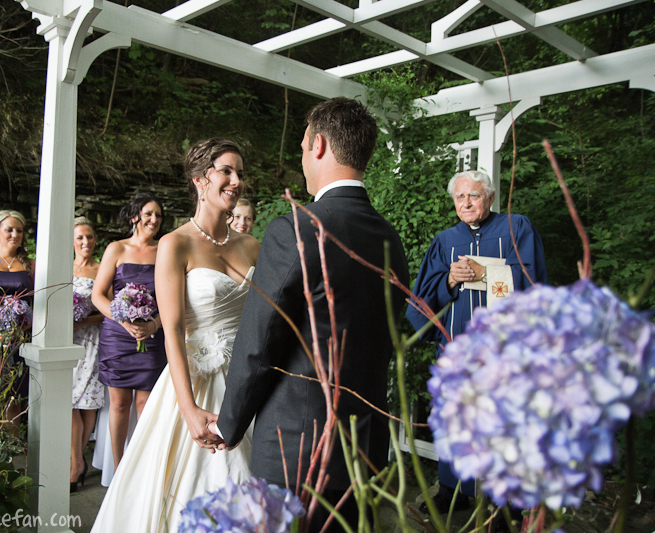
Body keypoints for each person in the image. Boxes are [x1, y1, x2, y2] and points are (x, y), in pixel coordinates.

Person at [216, 97, 410, 532]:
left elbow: (258, 344)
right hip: (365, 445)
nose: (302, 158)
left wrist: (229, 424)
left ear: (318, 144)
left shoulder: (297, 229)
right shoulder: (389, 239)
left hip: (298, 449)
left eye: (303, 147)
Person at [90, 139, 260, 532]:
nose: (237, 181)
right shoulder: (175, 244)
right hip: (194, 384)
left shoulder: (252, 246)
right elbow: (173, 330)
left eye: (240, 173)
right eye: (227, 171)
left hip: (244, 381)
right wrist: (189, 409)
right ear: (201, 180)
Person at [405, 170, 548, 529]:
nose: (466, 203)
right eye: (459, 198)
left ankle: (507, 502)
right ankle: (454, 490)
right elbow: (421, 300)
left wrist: (488, 274)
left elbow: (533, 279)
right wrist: (451, 279)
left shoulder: (517, 228)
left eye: (474, 196)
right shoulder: (445, 241)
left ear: (490, 197)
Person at [91, 193, 167, 472]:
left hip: (153, 334)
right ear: (134, 216)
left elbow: (174, 297)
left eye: (158, 215)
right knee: (120, 404)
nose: (154, 220)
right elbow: (97, 295)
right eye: (148, 214)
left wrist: (153, 325)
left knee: (147, 403)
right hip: (117, 335)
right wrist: (123, 320)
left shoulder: (165, 250)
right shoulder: (116, 249)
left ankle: (142, 468)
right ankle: (119, 467)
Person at [0, 210, 35, 426]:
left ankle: (13, 441)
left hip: (21, 337)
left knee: (15, 391)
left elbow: (40, 302)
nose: (15, 234)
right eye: (9, 230)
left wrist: (25, 327)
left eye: (19, 230)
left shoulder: (30, 265)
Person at [70, 217, 104, 492]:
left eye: (90, 237)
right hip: (66, 340)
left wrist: (81, 321)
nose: (86, 242)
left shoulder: (101, 268)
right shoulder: (61, 267)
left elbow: (108, 310)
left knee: (87, 402)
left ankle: (75, 463)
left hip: (92, 339)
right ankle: (76, 462)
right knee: (69, 400)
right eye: (80, 237)